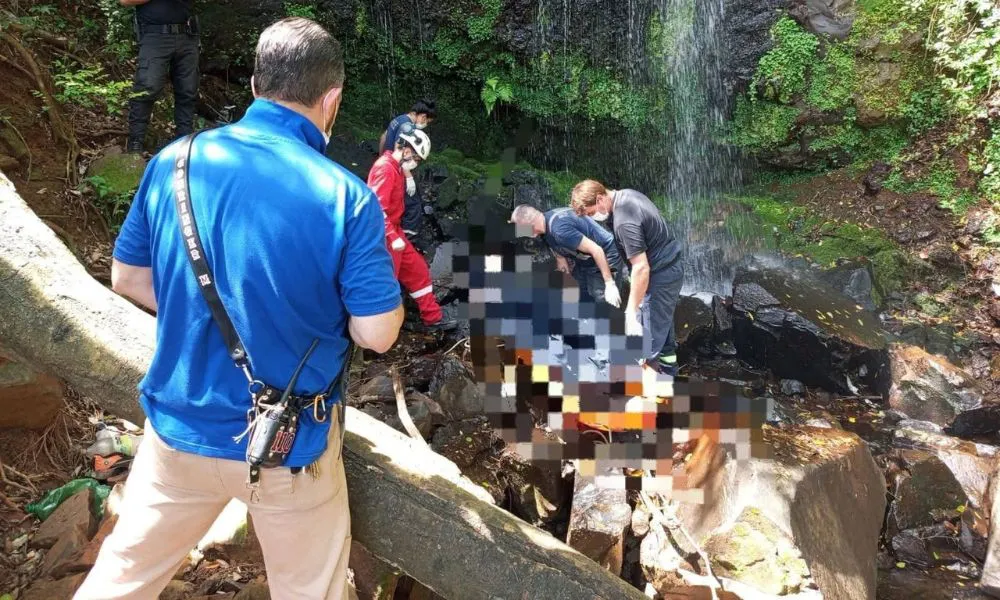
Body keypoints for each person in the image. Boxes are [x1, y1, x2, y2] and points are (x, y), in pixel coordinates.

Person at [74, 17, 404, 600]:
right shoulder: (344, 195)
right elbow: (377, 333)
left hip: (177, 432)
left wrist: (196, 310)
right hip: (287, 445)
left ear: (254, 84)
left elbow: (126, 276)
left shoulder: (175, 160)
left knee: (122, 580)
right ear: (333, 99)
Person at [571, 180, 684, 375]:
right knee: (660, 324)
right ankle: (669, 370)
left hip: (660, 274)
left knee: (644, 342)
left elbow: (641, 268)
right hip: (668, 267)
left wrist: (631, 311)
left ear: (600, 199)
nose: (593, 218)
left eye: (590, 213)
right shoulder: (626, 195)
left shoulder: (624, 220)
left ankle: (652, 392)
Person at [368, 122, 456, 332]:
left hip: (394, 231)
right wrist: (392, 236)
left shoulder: (396, 168)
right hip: (383, 234)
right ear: (405, 148)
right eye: (415, 157)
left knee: (418, 271)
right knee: (387, 283)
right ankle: (379, 333)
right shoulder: (385, 168)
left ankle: (432, 318)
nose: (416, 162)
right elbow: (375, 209)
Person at [120, 0, 201, 153]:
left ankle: (185, 141)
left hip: (187, 35)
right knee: (147, 87)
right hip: (155, 36)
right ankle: (136, 142)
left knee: (188, 90)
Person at [508, 204, 627, 306]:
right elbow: (560, 255)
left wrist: (609, 284)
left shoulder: (559, 230)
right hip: (585, 259)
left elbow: (597, 250)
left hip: (606, 253)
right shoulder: (546, 227)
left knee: (602, 297)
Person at [378, 100, 438, 239]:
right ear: (422, 116)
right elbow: (400, 150)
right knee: (413, 203)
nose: (425, 124)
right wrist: (409, 177)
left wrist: (381, 158)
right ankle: (407, 237)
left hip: (389, 164)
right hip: (397, 168)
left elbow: (383, 137)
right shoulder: (408, 126)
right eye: (427, 121)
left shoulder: (398, 119)